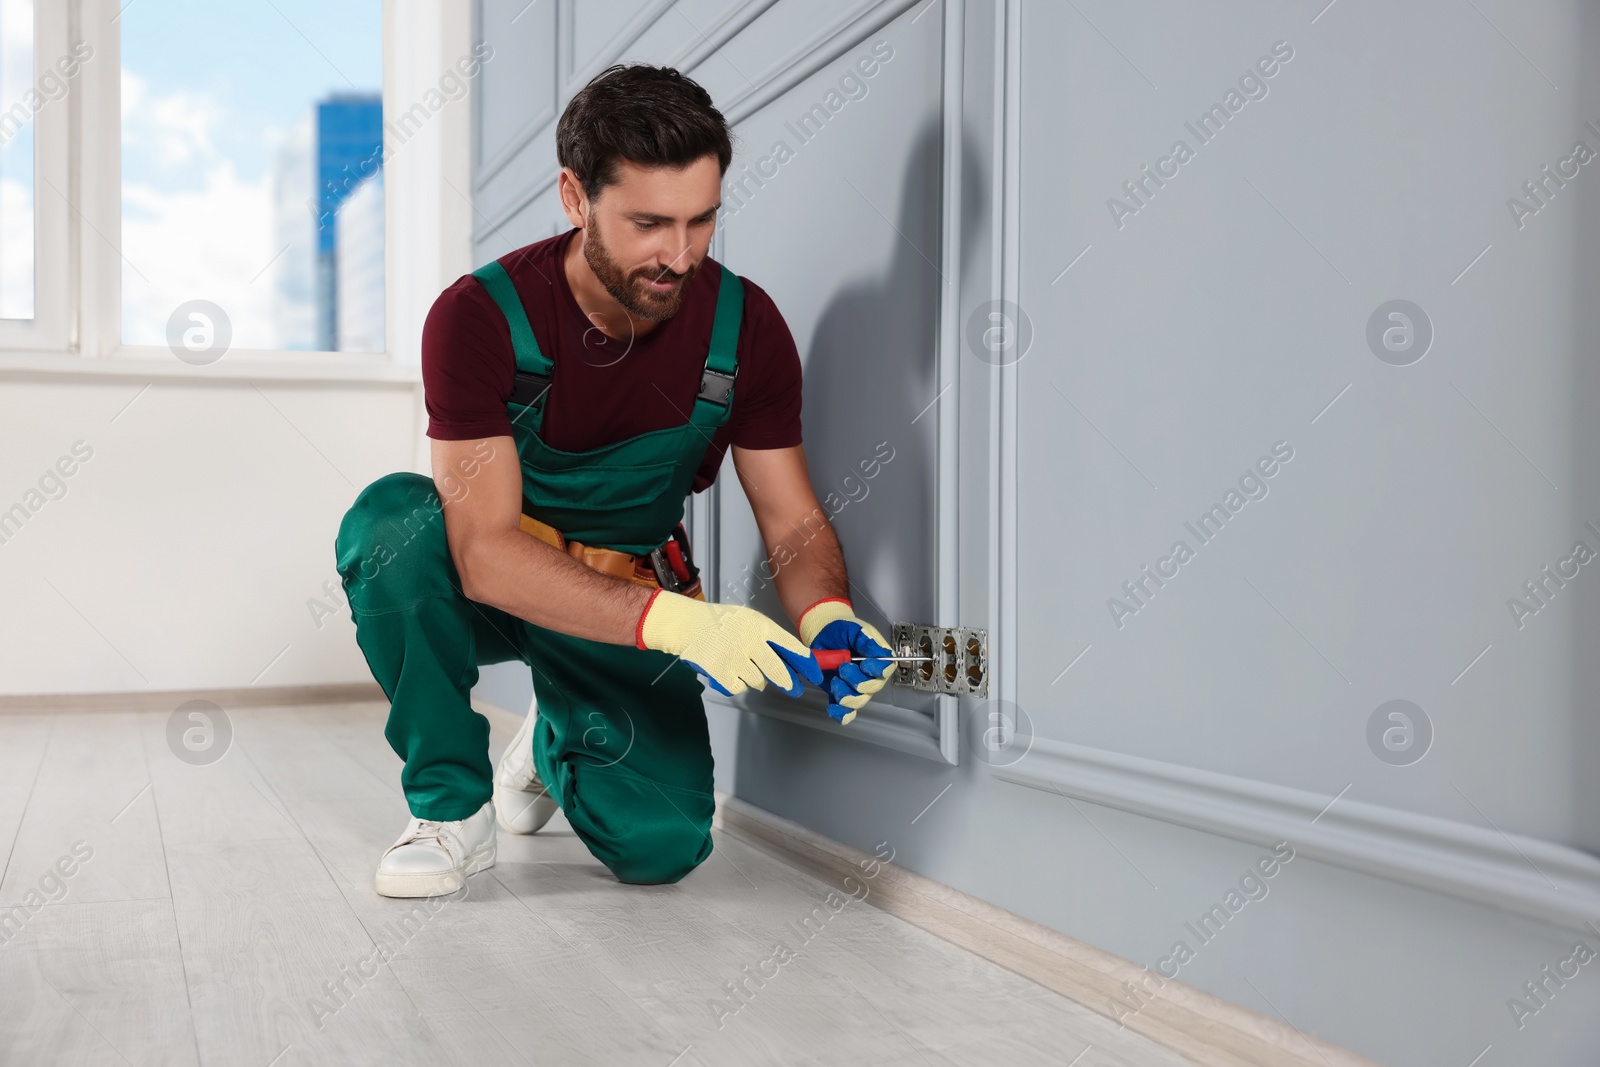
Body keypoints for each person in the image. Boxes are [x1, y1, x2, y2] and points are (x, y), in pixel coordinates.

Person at [334, 63, 896, 897]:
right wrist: (693, 628)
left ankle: (551, 733)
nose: (679, 255)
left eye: (701, 220)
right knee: (391, 526)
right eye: (648, 223)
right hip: (520, 594)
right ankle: (452, 809)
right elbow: (483, 554)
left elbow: (793, 520)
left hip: (620, 606)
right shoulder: (478, 318)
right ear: (574, 197)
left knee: (660, 847)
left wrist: (830, 613)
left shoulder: (746, 329)